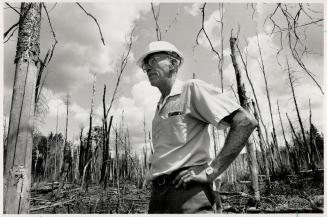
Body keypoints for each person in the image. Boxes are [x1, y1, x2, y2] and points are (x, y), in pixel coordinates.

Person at [136, 41, 258, 213]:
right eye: (144, 65)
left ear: (173, 63)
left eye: (152, 60)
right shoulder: (160, 106)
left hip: (187, 191)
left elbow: (245, 121)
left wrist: (211, 171)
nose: (147, 68)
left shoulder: (191, 89)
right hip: (158, 196)